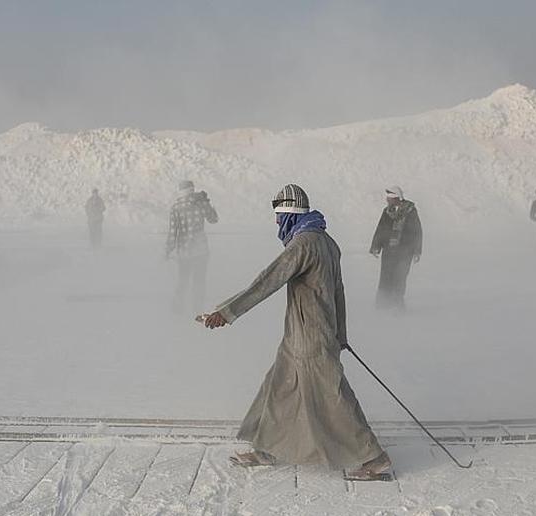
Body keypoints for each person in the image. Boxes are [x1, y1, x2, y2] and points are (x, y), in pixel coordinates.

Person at [201, 183, 391, 480]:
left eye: (279, 216)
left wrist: (225, 313)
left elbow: (266, 282)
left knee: (333, 396)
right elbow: (339, 292)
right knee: (279, 387)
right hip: (305, 333)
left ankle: (374, 458)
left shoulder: (302, 245)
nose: (276, 222)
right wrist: (341, 333)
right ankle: (267, 449)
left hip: (311, 336)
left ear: (290, 213)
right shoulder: (327, 241)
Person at [165, 180, 218, 314]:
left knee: (182, 281)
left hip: (184, 252)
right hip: (201, 250)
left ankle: (177, 310)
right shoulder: (201, 204)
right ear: (192, 190)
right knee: (199, 282)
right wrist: (208, 203)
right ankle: (197, 310)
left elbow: (173, 232)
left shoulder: (175, 207)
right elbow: (213, 219)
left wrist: (167, 250)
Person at [369, 186, 423, 310]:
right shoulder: (387, 211)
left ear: (397, 198)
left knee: (400, 277)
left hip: (405, 252)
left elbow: (417, 231)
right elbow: (381, 228)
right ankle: (383, 305)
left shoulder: (410, 211)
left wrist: (417, 251)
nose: (387, 200)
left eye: (390, 198)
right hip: (389, 251)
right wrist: (376, 246)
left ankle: (397, 306)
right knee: (385, 277)